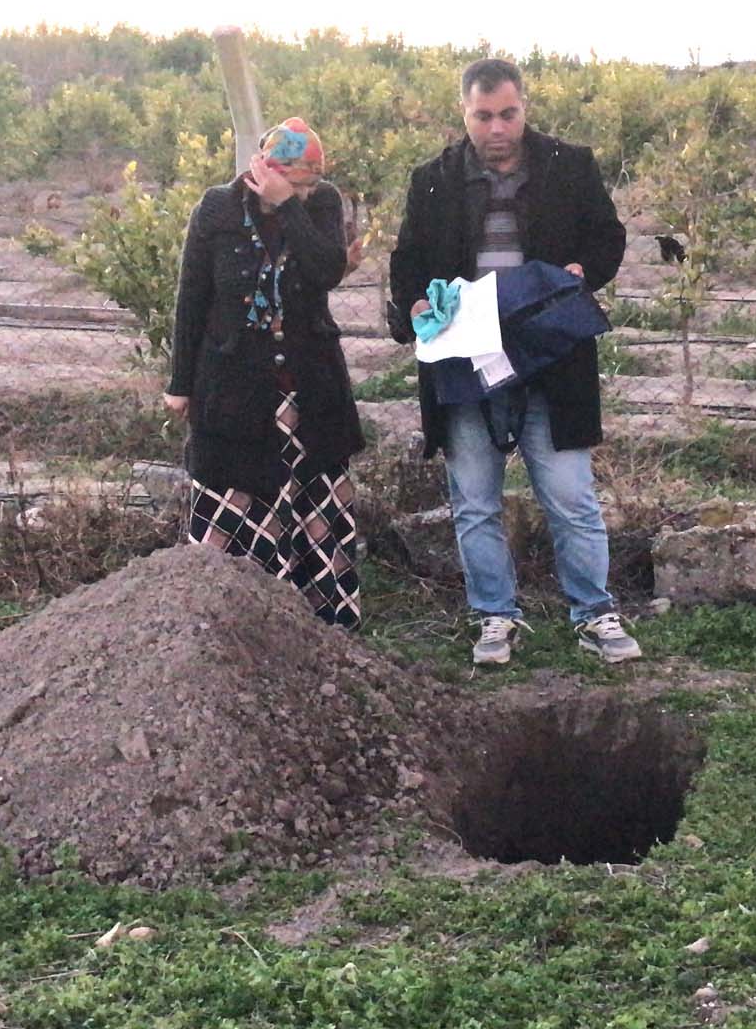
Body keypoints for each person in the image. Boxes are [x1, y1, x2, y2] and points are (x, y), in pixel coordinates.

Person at [387, 58, 640, 666]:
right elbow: (407, 261)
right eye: (483, 116)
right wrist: (417, 301)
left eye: (507, 114)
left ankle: (595, 613)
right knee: (475, 500)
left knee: (570, 495)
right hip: (466, 363)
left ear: (524, 107)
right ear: (464, 113)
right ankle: (496, 618)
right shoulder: (433, 180)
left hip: (550, 354)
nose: (496, 128)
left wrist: (583, 272)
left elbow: (607, 238)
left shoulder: (569, 167)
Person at [165, 118, 365, 628]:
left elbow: (326, 269)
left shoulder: (319, 204)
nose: (306, 190)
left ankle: (321, 630)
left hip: (309, 394)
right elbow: (193, 300)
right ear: (264, 167)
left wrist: (291, 205)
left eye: (310, 182)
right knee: (233, 496)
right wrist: (179, 384)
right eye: (295, 181)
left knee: (314, 504)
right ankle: (228, 631)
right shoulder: (217, 208)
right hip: (233, 393)